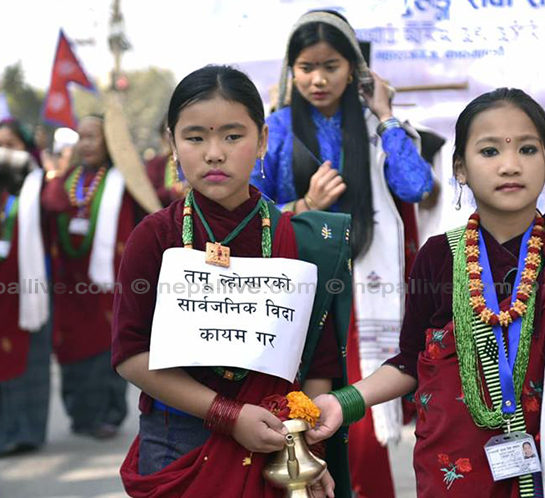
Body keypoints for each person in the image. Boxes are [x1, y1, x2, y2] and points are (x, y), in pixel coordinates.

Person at [307, 88, 545, 498]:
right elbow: (409, 362)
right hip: (452, 474)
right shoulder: (438, 256)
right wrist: (343, 402)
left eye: (527, 149)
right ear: (460, 168)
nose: (510, 165)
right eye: (490, 151)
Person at [112, 65, 353, 498]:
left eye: (232, 136)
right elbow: (131, 354)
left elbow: (318, 362)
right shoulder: (155, 237)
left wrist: (306, 449)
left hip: (278, 440)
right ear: (172, 144)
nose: (214, 154)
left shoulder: (298, 240)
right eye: (195, 138)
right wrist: (226, 414)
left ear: (262, 141)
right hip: (177, 439)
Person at [251, 11, 434, 496]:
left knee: (358, 422)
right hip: (297, 295)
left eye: (330, 66)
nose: (318, 79)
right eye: (306, 67)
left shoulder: (375, 127)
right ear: (291, 71)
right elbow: (248, 214)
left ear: (353, 69)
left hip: (360, 297)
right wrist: (304, 206)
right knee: (296, 416)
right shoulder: (276, 128)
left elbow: (416, 185)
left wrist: (385, 111)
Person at [42, 114, 143, 440]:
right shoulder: (70, 178)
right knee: (72, 346)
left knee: (107, 346)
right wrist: (59, 169)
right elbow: (52, 202)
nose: (84, 144)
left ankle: (107, 415)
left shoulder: (125, 180)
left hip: (110, 282)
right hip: (71, 282)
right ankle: (80, 415)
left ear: (109, 141)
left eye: (92, 137)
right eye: (80, 137)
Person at [0, 119, 51, 460]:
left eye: (11, 145)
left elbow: (59, 204)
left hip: (24, 290)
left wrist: (38, 169)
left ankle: (23, 435)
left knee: (20, 358)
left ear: (26, 149)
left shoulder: (38, 185)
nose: (3, 152)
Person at [145, 116, 188, 206]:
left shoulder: (200, 161)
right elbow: (149, 195)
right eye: (168, 131)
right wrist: (175, 190)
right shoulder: (156, 164)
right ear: (163, 136)